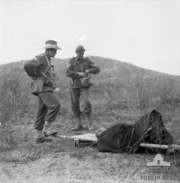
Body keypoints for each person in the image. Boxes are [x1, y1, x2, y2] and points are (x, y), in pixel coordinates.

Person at [31, 40, 61, 143]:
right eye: (54, 51)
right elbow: (27, 65)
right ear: (48, 50)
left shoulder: (47, 60)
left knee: (42, 110)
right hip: (42, 87)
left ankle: (38, 137)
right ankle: (47, 128)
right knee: (55, 105)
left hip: (44, 87)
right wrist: (35, 76)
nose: (55, 53)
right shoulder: (41, 58)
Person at [66, 45, 100, 131]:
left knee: (87, 103)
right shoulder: (71, 61)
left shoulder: (87, 61)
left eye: (83, 53)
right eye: (80, 53)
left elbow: (97, 69)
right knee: (74, 105)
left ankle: (89, 124)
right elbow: (68, 72)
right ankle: (79, 124)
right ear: (76, 53)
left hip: (84, 86)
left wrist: (89, 70)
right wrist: (78, 74)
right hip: (73, 86)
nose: (81, 54)